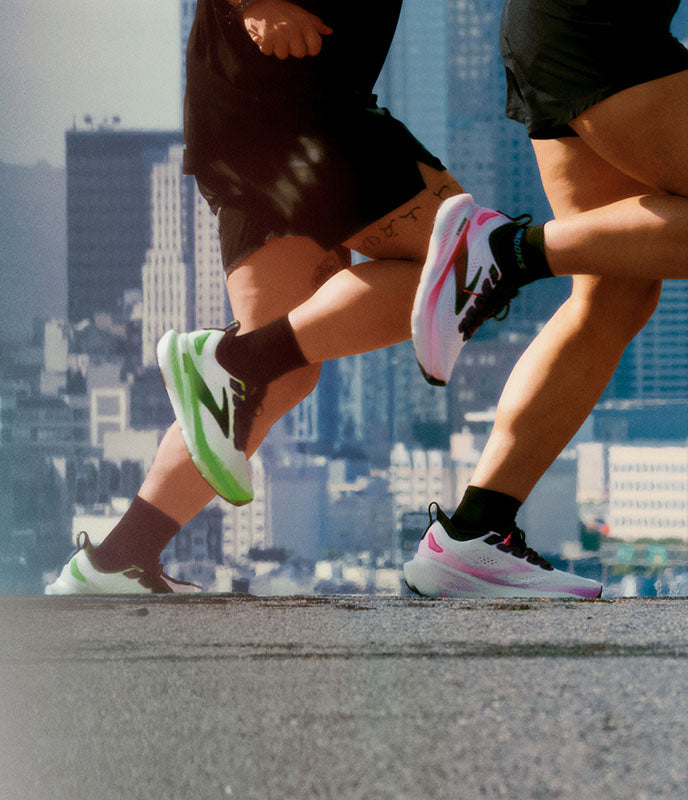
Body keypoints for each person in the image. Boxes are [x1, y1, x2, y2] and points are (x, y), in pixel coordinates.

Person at [46, 0, 598, 598]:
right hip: (294, 108)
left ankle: (116, 560)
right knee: (473, 260)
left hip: (259, 115)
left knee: (279, 374)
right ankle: (233, 361)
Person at [403, 0, 687, 598]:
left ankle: (474, 531)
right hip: (595, 22)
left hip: (560, 24)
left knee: (613, 295)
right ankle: (505, 252)